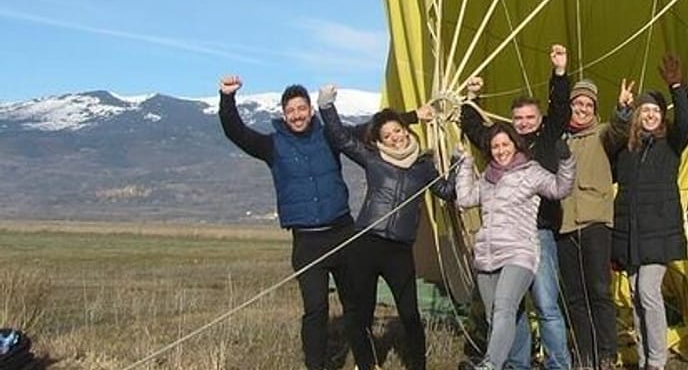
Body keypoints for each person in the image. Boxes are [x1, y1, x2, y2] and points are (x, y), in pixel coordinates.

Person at [216, 75, 367, 370]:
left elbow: (367, 131)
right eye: (291, 111)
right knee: (316, 310)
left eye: (302, 109)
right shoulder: (272, 145)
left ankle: (366, 362)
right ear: (284, 116)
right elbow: (236, 132)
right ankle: (315, 366)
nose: (297, 115)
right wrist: (227, 98)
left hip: (343, 233)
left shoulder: (330, 136)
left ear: (311, 110)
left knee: (355, 306)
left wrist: (416, 116)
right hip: (307, 242)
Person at [317, 85, 455, 370]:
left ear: (406, 129)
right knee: (360, 313)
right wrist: (326, 106)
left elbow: (446, 191)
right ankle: (367, 365)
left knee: (409, 314)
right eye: (387, 135)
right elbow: (341, 138)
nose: (395, 137)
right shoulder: (372, 158)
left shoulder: (424, 165)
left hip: (400, 249)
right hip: (366, 243)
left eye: (398, 130)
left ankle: (418, 365)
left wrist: (457, 165)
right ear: (380, 140)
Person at [452, 45, 572, 370]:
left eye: (529, 117)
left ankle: (558, 364)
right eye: (517, 118)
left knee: (546, 304)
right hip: (501, 237)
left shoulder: (546, 138)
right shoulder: (500, 150)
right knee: (510, 308)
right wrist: (471, 99)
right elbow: (477, 130)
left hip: (539, 233)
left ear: (539, 119)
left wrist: (559, 73)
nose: (523, 123)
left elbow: (560, 110)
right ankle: (516, 363)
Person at [606, 54, 688, 370]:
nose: (650, 115)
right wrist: (620, 111)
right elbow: (609, 142)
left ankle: (657, 360)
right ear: (637, 116)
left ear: (662, 116)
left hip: (657, 233)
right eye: (645, 111)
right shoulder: (628, 150)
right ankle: (645, 358)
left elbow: (686, 121)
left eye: (655, 111)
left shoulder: (671, 143)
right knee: (635, 295)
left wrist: (676, 86)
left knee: (647, 291)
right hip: (631, 234)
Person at [557, 58, 619, 370]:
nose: (581, 109)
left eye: (587, 104)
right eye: (576, 103)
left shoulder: (604, 133)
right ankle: (585, 354)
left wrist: (622, 110)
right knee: (574, 296)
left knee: (599, 289)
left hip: (595, 222)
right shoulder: (560, 138)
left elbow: (621, 132)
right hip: (566, 224)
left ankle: (607, 353)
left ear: (594, 108)